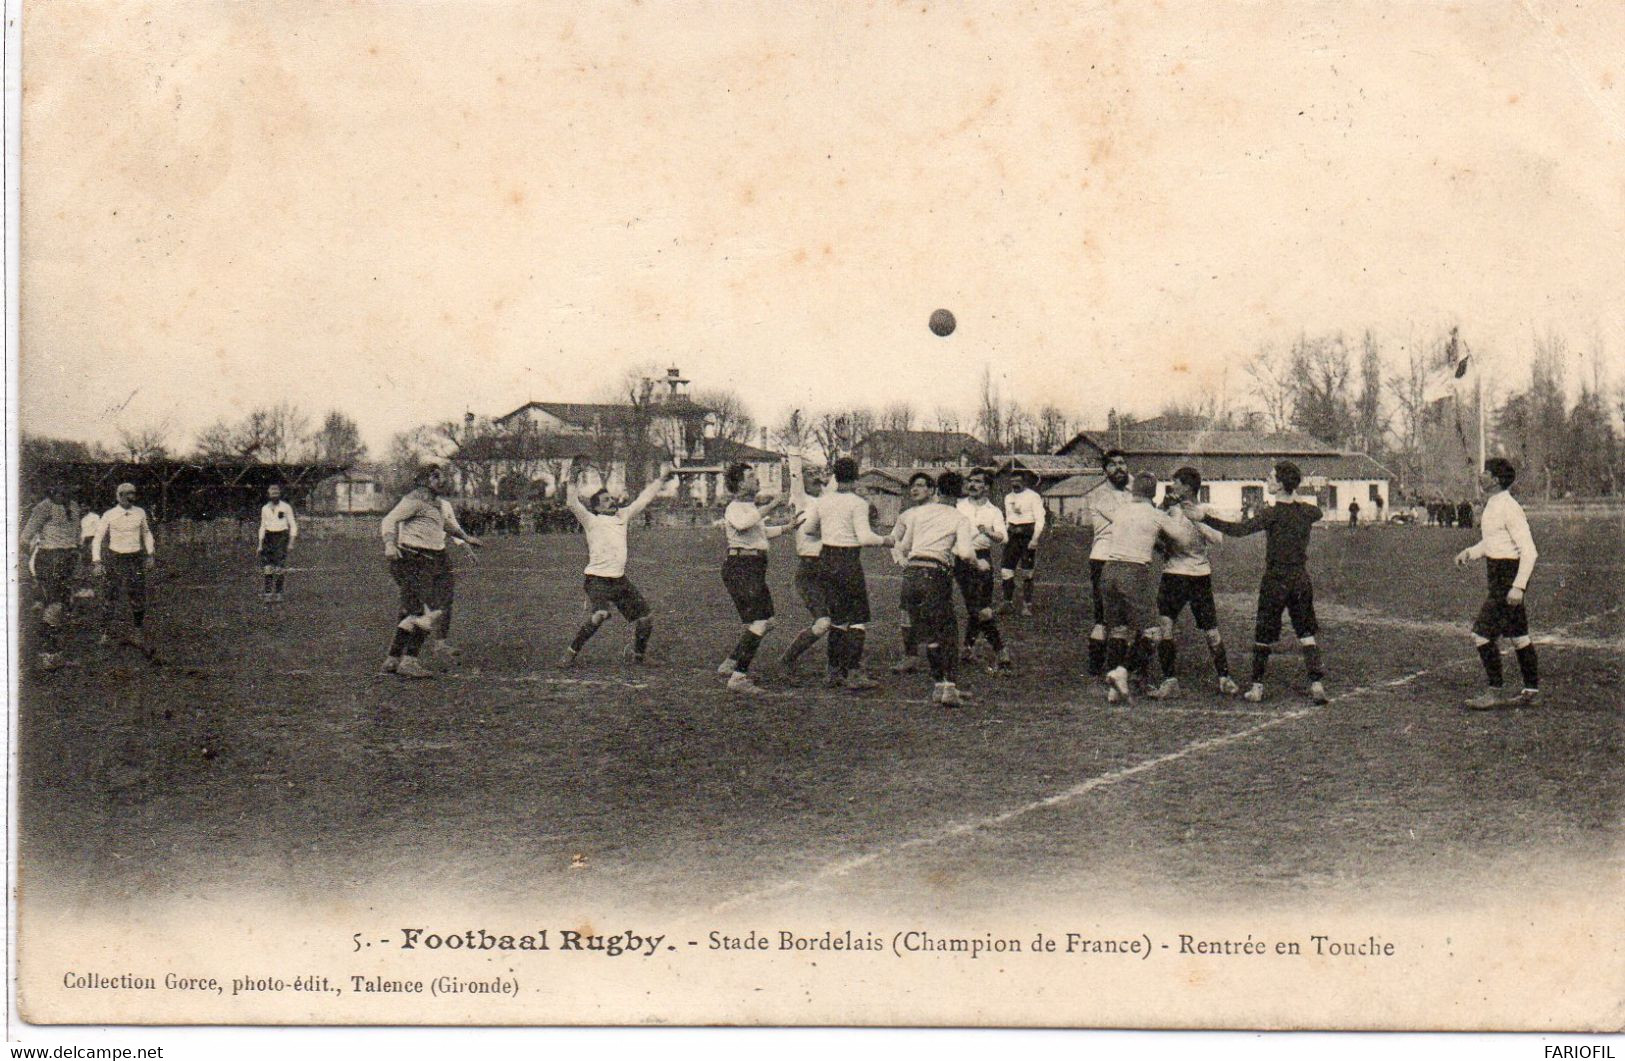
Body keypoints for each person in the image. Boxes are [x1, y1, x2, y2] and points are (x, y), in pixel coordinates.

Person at [1194, 461, 1328, 705]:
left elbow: (1238, 530)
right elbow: (1315, 512)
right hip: (1300, 578)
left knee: (1264, 633)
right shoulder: (1308, 511)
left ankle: (1257, 688)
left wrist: (1205, 517)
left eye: (1272, 477)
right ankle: (1317, 683)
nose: (1268, 480)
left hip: (1276, 579)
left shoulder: (1272, 513)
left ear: (1281, 483)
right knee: (1306, 631)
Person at [560, 468, 673, 667]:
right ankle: (570, 653)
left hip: (619, 579)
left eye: (611, 498)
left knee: (645, 619)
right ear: (597, 508)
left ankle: (639, 657)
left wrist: (661, 479)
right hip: (597, 579)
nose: (612, 501)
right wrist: (573, 477)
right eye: (606, 500)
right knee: (600, 615)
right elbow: (571, 503)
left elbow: (643, 499)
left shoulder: (623, 516)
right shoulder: (591, 520)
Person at [378, 464, 482, 678]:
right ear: (425, 480)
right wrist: (389, 543)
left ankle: (393, 658)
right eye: (436, 477)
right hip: (414, 560)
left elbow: (445, 525)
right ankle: (409, 661)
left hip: (428, 561)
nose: (441, 481)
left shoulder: (433, 502)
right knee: (431, 611)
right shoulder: (415, 499)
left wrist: (466, 538)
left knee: (415, 611)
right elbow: (388, 520)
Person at [1454, 458, 1539, 709]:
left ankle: (1494, 691)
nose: (1481, 476)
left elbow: (1529, 551)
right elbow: (1493, 542)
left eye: (1487, 473)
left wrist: (1518, 586)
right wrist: (1469, 552)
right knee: (1519, 636)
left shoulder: (1509, 507)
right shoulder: (1493, 504)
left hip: (1507, 579)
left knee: (1481, 634)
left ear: (1497, 479)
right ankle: (1531, 689)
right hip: (1498, 575)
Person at [888, 470, 978, 706]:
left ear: (936, 490)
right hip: (934, 575)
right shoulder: (960, 518)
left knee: (929, 634)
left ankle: (939, 686)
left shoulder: (918, 513)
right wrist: (979, 563)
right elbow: (967, 553)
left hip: (911, 575)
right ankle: (949, 688)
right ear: (960, 494)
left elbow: (903, 545)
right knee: (947, 632)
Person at [800, 456, 888, 690]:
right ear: (857, 475)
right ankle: (854, 672)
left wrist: (831, 532)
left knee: (838, 619)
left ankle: (833, 672)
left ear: (835, 476)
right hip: (848, 561)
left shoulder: (823, 501)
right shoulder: (858, 503)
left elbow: (808, 530)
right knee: (857, 620)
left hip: (826, 558)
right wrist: (887, 540)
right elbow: (866, 538)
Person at [1097, 472, 1183, 703]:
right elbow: (1179, 536)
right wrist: (1172, 511)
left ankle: (1114, 690)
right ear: (1153, 493)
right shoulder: (1155, 515)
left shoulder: (1122, 510)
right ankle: (1122, 672)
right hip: (1134, 573)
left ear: (1133, 491)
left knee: (1119, 630)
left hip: (1109, 570)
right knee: (1153, 633)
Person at [1155, 468, 1238, 698]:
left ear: (1188, 487)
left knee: (1211, 631)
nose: (1172, 487)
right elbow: (1154, 537)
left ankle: (1225, 678)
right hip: (1172, 575)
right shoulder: (1170, 511)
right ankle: (1169, 680)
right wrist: (1162, 513)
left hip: (1199, 577)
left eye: (1176, 483)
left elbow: (1217, 538)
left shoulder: (1206, 511)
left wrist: (1196, 519)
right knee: (1165, 625)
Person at [715, 462, 797, 695]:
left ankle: (731, 662)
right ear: (740, 483)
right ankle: (738, 677)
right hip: (741, 567)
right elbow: (744, 523)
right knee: (760, 622)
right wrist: (773, 504)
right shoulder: (735, 507)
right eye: (751, 476)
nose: (757, 479)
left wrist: (787, 527)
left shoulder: (748, 506)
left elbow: (760, 531)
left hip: (752, 566)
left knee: (767, 622)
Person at [778, 457, 832, 678]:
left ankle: (838, 668)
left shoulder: (829, 499)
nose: (815, 477)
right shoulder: (801, 500)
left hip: (832, 567)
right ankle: (787, 659)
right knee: (822, 623)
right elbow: (795, 474)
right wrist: (794, 449)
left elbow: (839, 480)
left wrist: (845, 445)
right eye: (809, 473)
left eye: (817, 473)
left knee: (841, 621)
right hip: (809, 569)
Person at [1082, 449, 1132, 676]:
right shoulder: (1099, 495)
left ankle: (1116, 666)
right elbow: (1127, 521)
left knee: (1123, 615)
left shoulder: (1131, 491)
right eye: (1112, 465)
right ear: (1105, 471)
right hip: (1104, 558)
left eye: (1122, 463)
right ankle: (1096, 666)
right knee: (1103, 616)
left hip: (1127, 557)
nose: (1119, 468)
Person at [21, 482, 80, 671]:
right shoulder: (44, 507)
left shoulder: (74, 506)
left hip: (68, 558)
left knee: (61, 606)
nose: (64, 492)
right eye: (59, 489)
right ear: (52, 490)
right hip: (50, 558)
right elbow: (25, 538)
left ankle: (54, 656)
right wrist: (34, 561)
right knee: (54, 606)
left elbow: (76, 534)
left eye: (68, 489)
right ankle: (46, 658)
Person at [91, 482, 157, 652]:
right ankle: (105, 633)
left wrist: (150, 554)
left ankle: (137, 632)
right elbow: (97, 539)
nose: (130, 497)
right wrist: (97, 562)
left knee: (138, 596)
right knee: (110, 596)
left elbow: (146, 533)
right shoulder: (109, 515)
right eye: (126, 493)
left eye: (133, 493)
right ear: (118, 496)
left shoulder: (140, 512)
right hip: (115, 559)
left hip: (135, 558)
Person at [956, 468, 1011, 670]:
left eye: (978, 482)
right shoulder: (958, 506)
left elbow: (1003, 537)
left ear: (987, 487)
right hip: (961, 558)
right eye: (970, 481)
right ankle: (1000, 649)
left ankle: (967, 648)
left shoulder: (993, 511)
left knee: (981, 606)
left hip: (983, 558)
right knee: (977, 607)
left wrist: (987, 531)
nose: (972, 485)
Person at [888, 472, 936, 675]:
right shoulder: (906, 515)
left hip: (935, 569)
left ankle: (941, 659)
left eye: (920, 485)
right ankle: (910, 656)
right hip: (912, 570)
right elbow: (893, 540)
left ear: (931, 490)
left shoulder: (939, 513)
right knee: (906, 613)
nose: (914, 489)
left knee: (934, 613)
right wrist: (900, 559)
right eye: (912, 486)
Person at [1000, 468, 1046, 616]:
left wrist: (1035, 539)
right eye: (1012, 481)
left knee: (1027, 573)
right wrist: (1005, 535)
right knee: (1006, 571)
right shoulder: (1008, 497)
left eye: (1018, 481)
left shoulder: (1033, 497)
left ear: (1024, 481)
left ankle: (1027, 605)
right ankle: (1007, 603)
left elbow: (1040, 519)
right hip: (1012, 536)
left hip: (1027, 536)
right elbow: (1008, 517)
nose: (1015, 484)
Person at [257, 483, 299, 602]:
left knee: (279, 567)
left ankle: (279, 593)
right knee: (267, 567)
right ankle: (268, 593)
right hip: (268, 537)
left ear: (279, 494)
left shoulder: (286, 507)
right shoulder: (265, 508)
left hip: (281, 536)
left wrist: (291, 542)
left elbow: (293, 525)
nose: (274, 495)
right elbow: (262, 526)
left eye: (277, 493)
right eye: (272, 493)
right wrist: (260, 544)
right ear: (268, 494)